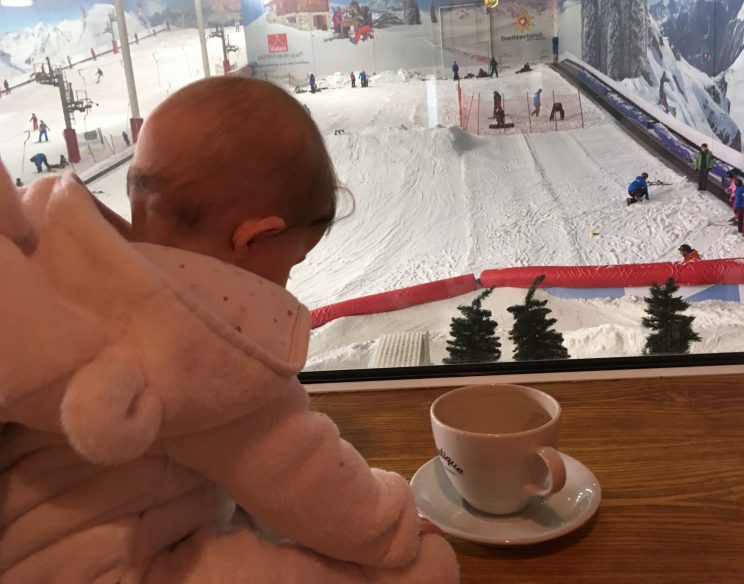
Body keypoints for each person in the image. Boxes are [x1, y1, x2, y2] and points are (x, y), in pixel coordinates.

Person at [0, 78, 459, 582]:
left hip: (27, 545)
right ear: (253, 238)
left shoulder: (68, 275)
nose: (287, 282)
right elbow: (308, 481)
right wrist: (397, 530)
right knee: (410, 570)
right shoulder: (206, 345)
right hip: (117, 566)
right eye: (293, 262)